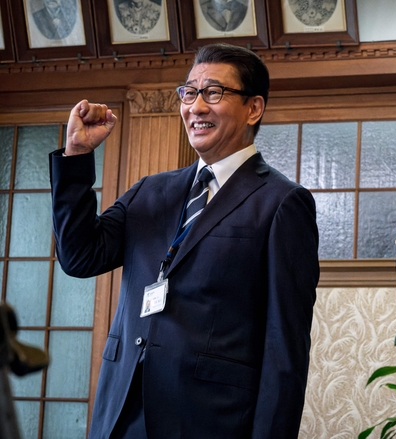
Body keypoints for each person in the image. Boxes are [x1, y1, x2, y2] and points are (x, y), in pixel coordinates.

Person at [50, 43, 319, 439]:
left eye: (213, 92)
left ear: (253, 108)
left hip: (210, 421)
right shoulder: (150, 191)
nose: (196, 106)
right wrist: (76, 156)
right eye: (189, 93)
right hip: (122, 413)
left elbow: (285, 349)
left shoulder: (282, 202)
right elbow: (79, 256)